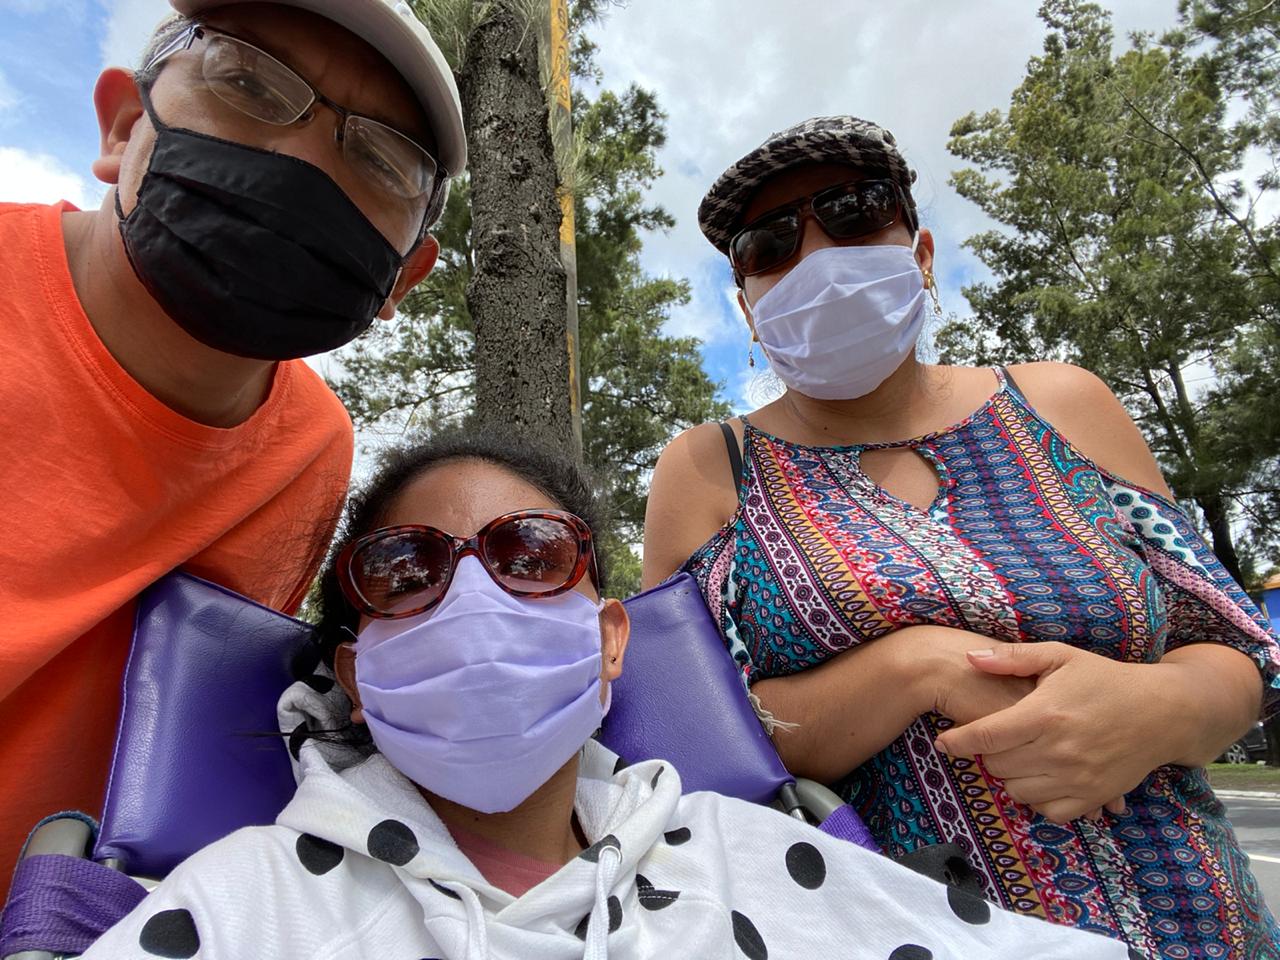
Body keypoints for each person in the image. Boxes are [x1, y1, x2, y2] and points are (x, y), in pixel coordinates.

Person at [80, 427, 1127, 960]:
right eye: (407, 570)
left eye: (530, 555)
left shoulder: (742, 850)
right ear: (354, 674)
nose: (475, 598)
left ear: (610, 639)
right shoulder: (244, 902)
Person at [642, 115, 1280, 957]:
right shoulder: (707, 469)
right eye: (771, 242)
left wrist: (1157, 709)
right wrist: (917, 668)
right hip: (889, 935)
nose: (818, 256)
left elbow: (1237, 648)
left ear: (923, 255)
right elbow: (681, 742)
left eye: (856, 211)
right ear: (747, 310)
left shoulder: (1063, 403)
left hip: (1196, 925)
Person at [0, 0, 467, 895]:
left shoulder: (314, 451)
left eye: (382, 158)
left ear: (403, 280)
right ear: (123, 124)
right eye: (247, 83)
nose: (305, 158)